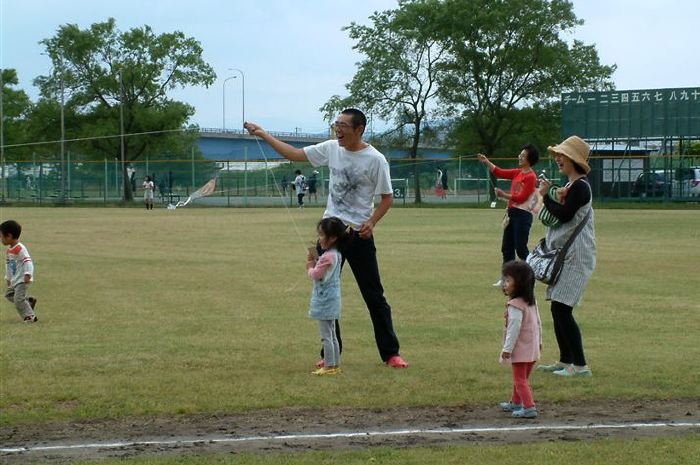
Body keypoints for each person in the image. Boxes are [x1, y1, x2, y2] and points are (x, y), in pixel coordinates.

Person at [245, 108, 408, 368]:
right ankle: (330, 355)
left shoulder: (376, 159)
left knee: (374, 295)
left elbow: (387, 198)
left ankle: (391, 354)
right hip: (331, 235)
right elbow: (295, 155)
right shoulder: (332, 148)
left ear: (360, 129)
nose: (338, 130)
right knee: (325, 294)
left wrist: (372, 222)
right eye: (336, 124)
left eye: (343, 125)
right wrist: (264, 134)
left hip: (358, 235)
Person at [536, 135, 596, 377]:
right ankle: (565, 361)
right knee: (557, 308)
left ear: (574, 159)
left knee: (562, 309)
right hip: (566, 254)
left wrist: (545, 194)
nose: (558, 159)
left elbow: (563, 215)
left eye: (562, 156)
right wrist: (551, 193)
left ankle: (580, 366)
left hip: (577, 256)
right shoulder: (572, 186)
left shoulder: (581, 186)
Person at [478, 145, 539, 286]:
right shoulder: (518, 172)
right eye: (520, 154)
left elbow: (522, 197)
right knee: (507, 248)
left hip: (523, 215)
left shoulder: (531, 176)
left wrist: (503, 194)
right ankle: (507, 279)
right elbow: (499, 172)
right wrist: (486, 161)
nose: (520, 157)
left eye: (523, 155)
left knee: (521, 248)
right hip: (512, 213)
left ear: (529, 159)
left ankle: (533, 273)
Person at [498, 260, 542, 419]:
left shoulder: (515, 305)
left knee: (520, 379)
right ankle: (516, 402)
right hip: (532, 348)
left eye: (508, 280)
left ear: (520, 284)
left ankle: (529, 407)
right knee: (522, 378)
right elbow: (538, 324)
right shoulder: (531, 302)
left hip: (522, 349)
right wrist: (540, 342)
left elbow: (513, 329)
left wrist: (507, 349)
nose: (504, 283)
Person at [307, 217, 350, 376]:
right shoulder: (336, 254)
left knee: (326, 336)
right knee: (332, 334)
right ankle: (335, 364)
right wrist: (317, 260)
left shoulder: (327, 256)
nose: (319, 238)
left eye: (322, 235)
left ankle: (329, 366)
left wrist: (310, 266)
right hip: (333, 299)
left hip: (325, 300)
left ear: (333, 238)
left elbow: (317, 275)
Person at [1, 220, 38, 323]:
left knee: (18, 299)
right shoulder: (9, 250)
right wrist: (8, 278)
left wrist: (28, 274)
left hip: (22, 279)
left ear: (9, 236)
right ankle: (28, 301)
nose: (1, 239)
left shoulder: (20, 249)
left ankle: (30, 316)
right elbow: (8, 265)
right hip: (15, 279)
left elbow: (28, 261)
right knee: (9, 295)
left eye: (1, 236)